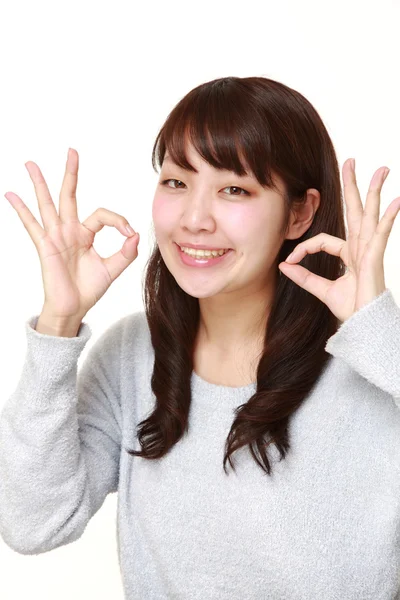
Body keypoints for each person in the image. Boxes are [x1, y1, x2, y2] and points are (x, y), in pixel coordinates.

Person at [1, 75, 399, 600]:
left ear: (299, 213)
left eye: (235, 189)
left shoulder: (371, 361)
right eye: (176, 182)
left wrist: (378, 333)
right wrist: (58, 324)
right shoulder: (129, 354)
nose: (194, 219)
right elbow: (34, 523)